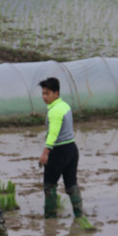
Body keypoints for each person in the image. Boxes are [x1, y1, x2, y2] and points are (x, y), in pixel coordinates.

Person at [38, 77, 83, 219]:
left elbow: (53, 133)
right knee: (71, 184)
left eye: (48, 93)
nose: (44, 97)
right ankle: (79, 215)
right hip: (72, 150)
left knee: (49, 186)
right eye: (43, 93)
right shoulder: (65, 106)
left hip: (59, 152)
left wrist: (46, 152)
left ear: (56, 93)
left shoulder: (55, 111)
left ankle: (50, 218)